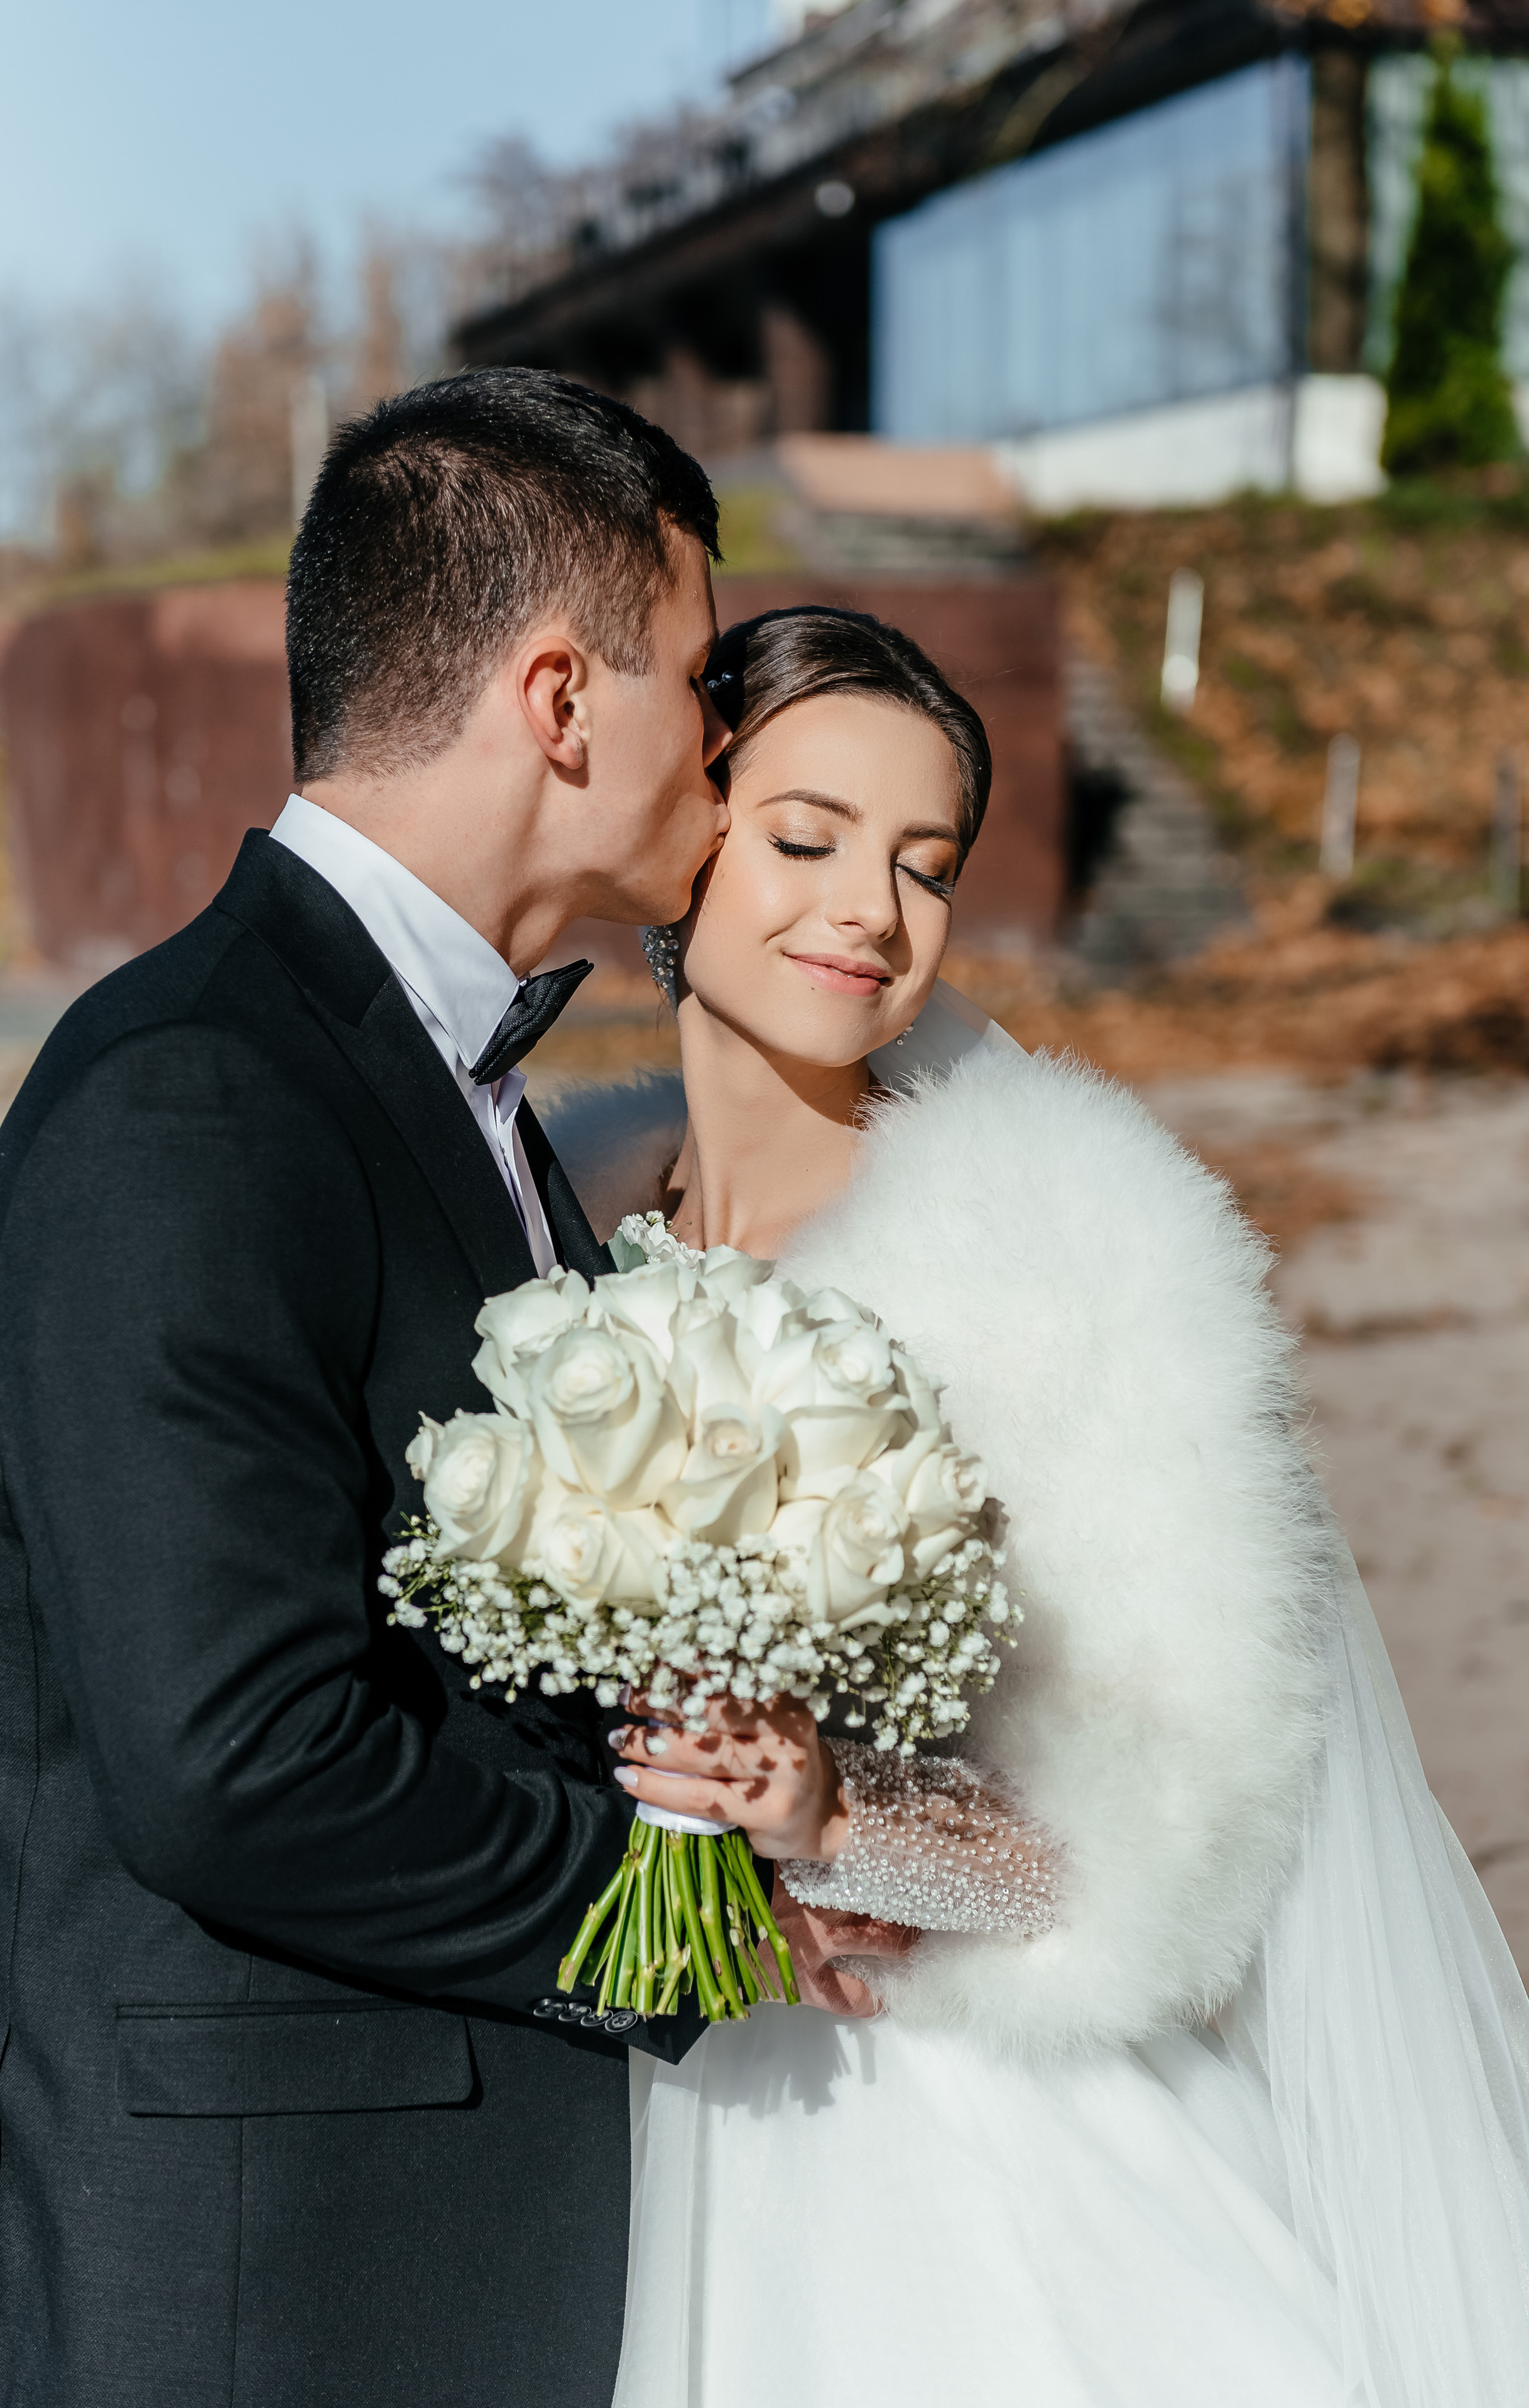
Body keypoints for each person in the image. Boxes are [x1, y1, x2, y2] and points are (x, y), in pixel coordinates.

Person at [0, 374, 837, 2408]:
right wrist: (706, 1924)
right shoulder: (198, 1096)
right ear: (559, 698)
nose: (727, 736)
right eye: (698, 675)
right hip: (247, 2288)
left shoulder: (455, 1093)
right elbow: (236, 1756)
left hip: (410, 2245)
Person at [543, 605, 1529, 2407]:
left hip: (968, 2157)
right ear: (688, 832)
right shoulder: (563, 1243)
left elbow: (1150, 1846)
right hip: (665, 2100)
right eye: (807, 836)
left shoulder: (1044, 1253)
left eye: (929, 867)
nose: (873, 911)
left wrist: (842, 1811)